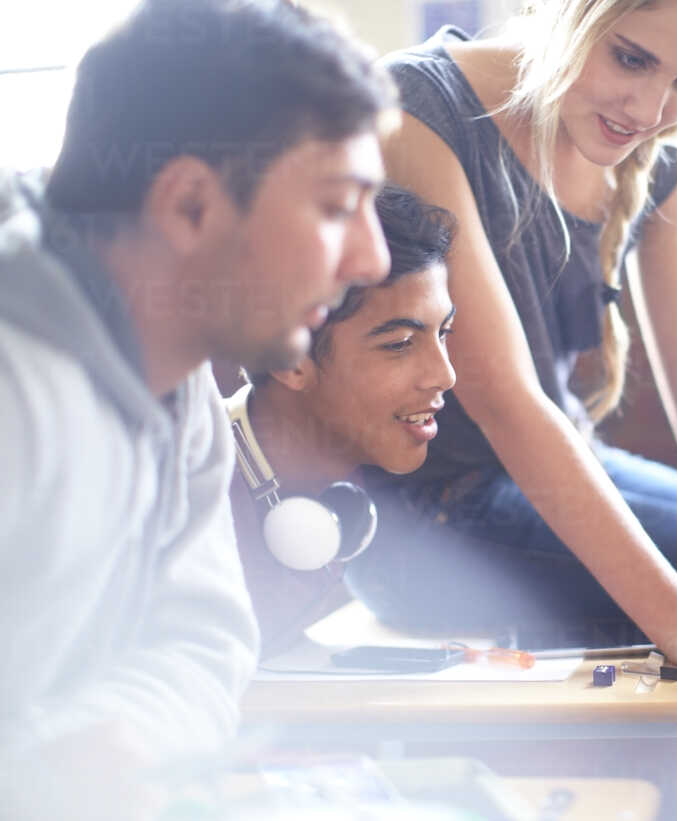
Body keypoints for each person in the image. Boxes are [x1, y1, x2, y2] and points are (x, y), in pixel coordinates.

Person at [0, 0, 394, 816]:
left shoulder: (177, 383)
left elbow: (207, 639)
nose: (372, 257)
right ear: (188, 206)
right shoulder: (19, 391)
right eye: (334, 207)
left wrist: (109, 744)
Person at [353, 0, 677, 677]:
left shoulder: (665, 163)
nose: (652, 109)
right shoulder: (418, 107)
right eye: (631, 58)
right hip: (431, 524)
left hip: (568, 469)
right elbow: (507, 400)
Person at [228, 186, 456, 659]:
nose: (445, 375)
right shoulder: (197, 503)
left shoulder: (344, 493)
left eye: (443, 333)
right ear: (290, 358)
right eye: (399, 344)